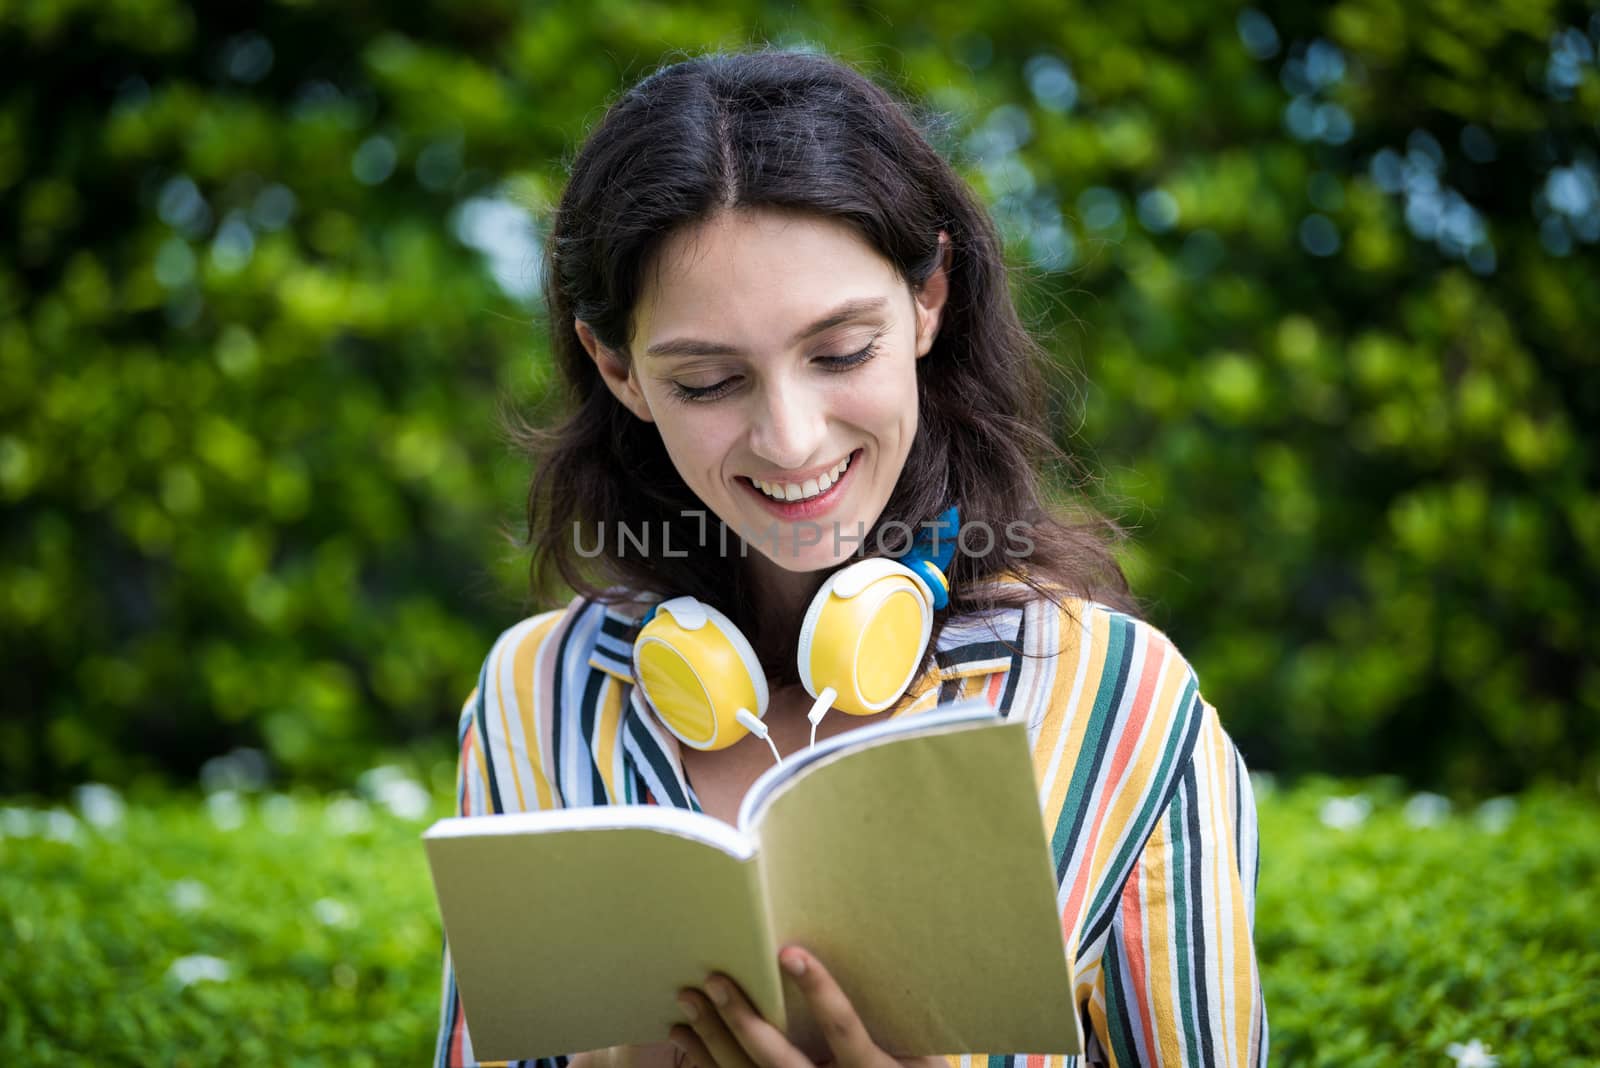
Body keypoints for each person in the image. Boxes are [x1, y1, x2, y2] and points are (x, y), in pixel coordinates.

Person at [434, 49, 1267, 1068]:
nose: (790, 440)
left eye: (838, 354)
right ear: (619, 371)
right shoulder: (538, 697)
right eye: (706, 381)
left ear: (929, 299)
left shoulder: (1115, 701)